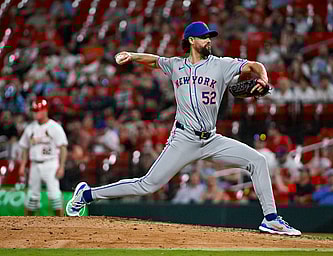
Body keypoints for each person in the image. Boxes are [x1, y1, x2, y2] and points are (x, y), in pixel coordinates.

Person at [66, 21, 301, 236]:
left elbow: (254, 65)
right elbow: (155, 60)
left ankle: (271, 219)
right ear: (191, 40)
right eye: (203, 37)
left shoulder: (221, 65)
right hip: (184, 138)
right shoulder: (176, 65)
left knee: (258, 161)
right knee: (148, 185)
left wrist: (264, 79)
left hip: (211, 140)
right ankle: (86, 195)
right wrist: (132, 56)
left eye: (209, 37)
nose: (208, 41)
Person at [18, 98, 68, 216]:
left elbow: (63, 147)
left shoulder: (54, 127)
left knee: (54, 193)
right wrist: (22, 165)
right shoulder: (30, 128)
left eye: (38, 110)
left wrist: (61, 166)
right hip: (35, 163)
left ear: (45, 110)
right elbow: (25, 147)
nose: (35, 113)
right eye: (34, 110)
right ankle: (27, 224)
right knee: (32, 195)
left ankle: (61, 222)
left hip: (50, 163)